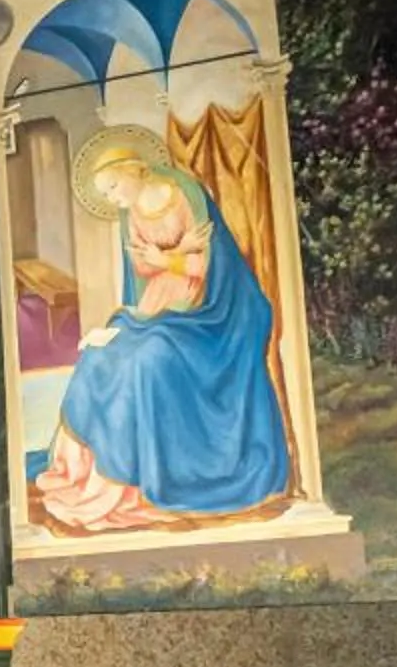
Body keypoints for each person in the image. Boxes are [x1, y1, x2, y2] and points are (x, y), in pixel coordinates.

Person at [30, 128, 289, 532]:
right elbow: (144, 268)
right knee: (99, 356)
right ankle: (98, 482)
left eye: (114, 186)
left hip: (208, 310)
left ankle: (147, 476)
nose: (113, 198)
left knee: (148, 359)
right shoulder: (129, 214)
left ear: (134, 168)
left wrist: (167, 259)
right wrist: (166, 259)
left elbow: (204, 266)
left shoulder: (184, 192)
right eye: (107, 193)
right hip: (159, 303)